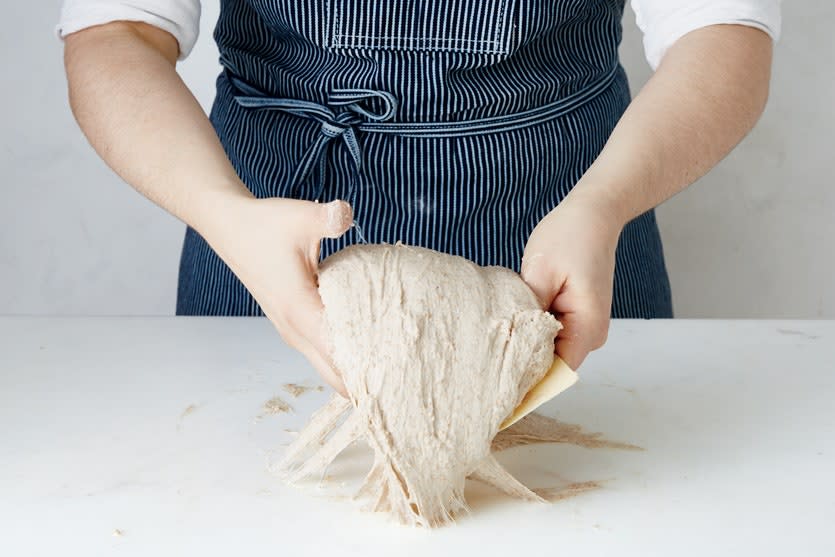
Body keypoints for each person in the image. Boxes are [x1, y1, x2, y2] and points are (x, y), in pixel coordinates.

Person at [57, 1, 780, 394]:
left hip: (568, 210)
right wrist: (224, 213)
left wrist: (605, 201)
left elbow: (721, 30)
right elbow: (114, 31)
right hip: (263, 229)